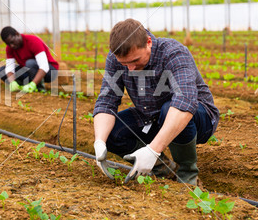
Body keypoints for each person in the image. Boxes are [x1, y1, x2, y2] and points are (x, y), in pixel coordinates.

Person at [93, 19, 219, 185]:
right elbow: (107, 101)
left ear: (148, 43)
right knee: (112, 132)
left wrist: (153, 150)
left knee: (170, 109)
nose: (129, 68)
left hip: (198, 119)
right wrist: (100, 141)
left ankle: (187, 174)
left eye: (135, 60)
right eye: (124, 63)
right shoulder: (114, 59)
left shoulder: (174, 53)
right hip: (151, 116)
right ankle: (165, 170)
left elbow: (185, 102)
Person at [0, 26, 59, 93]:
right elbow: (10, 68)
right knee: (2, 71)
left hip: (50, 72)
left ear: (17, 34)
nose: (11, 45)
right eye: (8, 44)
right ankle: (24, 85)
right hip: (29, 71)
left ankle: (39, 87)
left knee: (30, 63)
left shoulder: (33, 41)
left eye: (12, 42)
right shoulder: (10, 48)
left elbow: (44, 66)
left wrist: (33, 84)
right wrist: (12, 82)